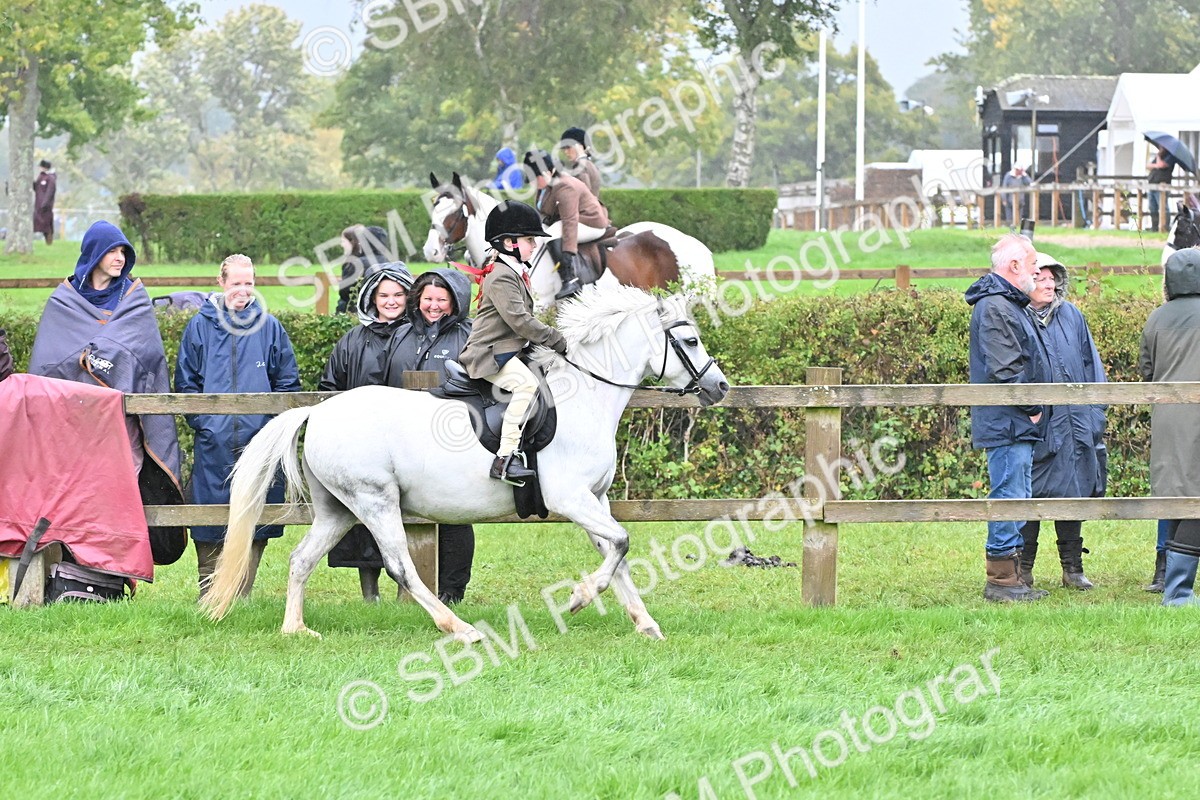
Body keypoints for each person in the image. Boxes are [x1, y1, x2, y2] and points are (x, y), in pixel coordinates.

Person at [28, 220, 187, 565]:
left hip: (122, 421)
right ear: (94, 253)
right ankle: (75, 568)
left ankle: (117, 571)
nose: (119, 258)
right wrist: (93, 356)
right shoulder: (63, 302)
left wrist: (95, 356)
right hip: (75, 425)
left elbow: (146, 355)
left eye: (123, 252)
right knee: (77, 492)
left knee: (119, 491)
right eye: (112, 251)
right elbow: (48, 364)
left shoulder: (134, 299)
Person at [174, 254, 302, 599]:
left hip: (257, 442)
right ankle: (208, 591)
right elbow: (186, 384)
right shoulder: (199, 327)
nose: (242, 291)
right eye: (236, 283)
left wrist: (270, 430)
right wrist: (205, 425)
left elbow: (287, 383)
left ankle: (242, 592)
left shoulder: (270, 327)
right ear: (221, 283)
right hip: (213, 443)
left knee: (255, 517)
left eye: (249, 283)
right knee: (209, 515)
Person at [320, 263, 415, 601]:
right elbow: (330, 387)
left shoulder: (418, 335)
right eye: (384, 295)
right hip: (361, 443)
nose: (391, 301)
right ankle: (369, 594)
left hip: (407, 443)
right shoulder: (354, 340)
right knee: (364, 518)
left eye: (398, 294)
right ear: (372, 298)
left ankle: (409, 593)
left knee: (412, 515)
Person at [965, 232, 1051, 602]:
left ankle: (1011, 576)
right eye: (1033, 264)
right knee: (1009, 493)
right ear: (1014, 266)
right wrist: (1032, 408)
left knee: (1020, 492)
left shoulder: (1008, 304)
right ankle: (1001, 580)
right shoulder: (997, 307)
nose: (1037, 271)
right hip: (1008, 419)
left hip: (1013, 418)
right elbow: (1007, 368)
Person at [459, 201, 569, 484]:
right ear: (509, 242)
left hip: (508, 350)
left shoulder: (513, 269)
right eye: (529, 239)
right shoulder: (501, 275)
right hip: (489, 355)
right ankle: (504, 459)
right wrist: (554, 338)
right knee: (526, 386)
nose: (534, 245)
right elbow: (520, 321)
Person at [1017, 252, 1107, 591]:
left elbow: (1091, 366)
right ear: (1026, 281)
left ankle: (1073, 568)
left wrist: (1095, 412)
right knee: (1030, 496)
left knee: (1074, 490)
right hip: (1038, 424)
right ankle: (1022, 569)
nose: (1049, 284)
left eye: (1053, 278)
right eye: (1041, 277)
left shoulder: (1072, 316)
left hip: (1076, 423)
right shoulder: (1017, 318)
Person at [391, 268, 478, 603]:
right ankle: (413, 589)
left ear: (454, 303)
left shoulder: (468, 335)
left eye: (442, 299)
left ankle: (453, 590)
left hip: (453, 438)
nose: (434, 305)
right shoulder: (402, 334)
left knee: (454, 512)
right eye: (428, 298)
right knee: (408, 509)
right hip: (405, 438)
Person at [1139, 247, 1200, 605]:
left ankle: (1174, 586)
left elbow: (1147, 372)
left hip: (1169, 422)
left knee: (1180, 497)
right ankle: (1177, 592)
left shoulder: (1157, 318)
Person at [523, 149, 610, 300]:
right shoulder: (545, 186)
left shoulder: (564, 186)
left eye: (535, 178)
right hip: (571, 220)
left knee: (553, 233)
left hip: (591, 222)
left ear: (546, 172)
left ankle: (569, 279)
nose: (532, 183)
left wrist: (568, 250)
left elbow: (569, 222)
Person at [336, 224, 391, 315]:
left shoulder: (356, 263)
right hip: (383, 313)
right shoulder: (391, 262)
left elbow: (345, 293)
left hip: (357, 313)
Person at [558, 127, 602, 201]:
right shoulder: (590, 165)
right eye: (564, 148)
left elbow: (582, 197)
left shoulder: (580, 167)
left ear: (580, 146)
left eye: (568, 147)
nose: (565, 152)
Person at [1147, 146, 1178, 233]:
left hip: (1162, 186)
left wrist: (1158, 157)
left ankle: (1165, 227)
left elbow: (1161, 165)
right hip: (1152, 184)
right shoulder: (1160, 156)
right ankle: (1154, 227)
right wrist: (1156, 164)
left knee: (1163, 207)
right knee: (1152, 207)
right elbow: (1148, 165)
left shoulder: (1170, 157)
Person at [33, 159, 56, 245]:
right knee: (39, 224)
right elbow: (37, 188)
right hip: (38, 205)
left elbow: (50, 192)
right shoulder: (40, 177)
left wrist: (45, 204)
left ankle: (49, 242)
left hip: (46, 207)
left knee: (47, 226)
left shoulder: (50, 178)